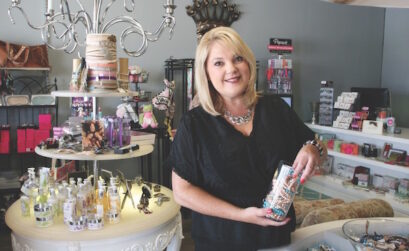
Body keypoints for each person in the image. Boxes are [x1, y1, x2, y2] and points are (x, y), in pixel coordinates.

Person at [169, 26, 327, 250]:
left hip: (277, 240)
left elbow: (317, 147)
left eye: (238, 58)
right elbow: (182, 193)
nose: (231, 69)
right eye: (219, 63)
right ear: (205, 72)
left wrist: (313, 149)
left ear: (249, 63)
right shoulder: (194, 125)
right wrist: (242, 215)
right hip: (220, 242)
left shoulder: (275, 108)